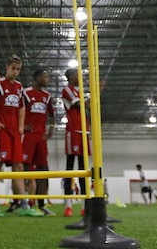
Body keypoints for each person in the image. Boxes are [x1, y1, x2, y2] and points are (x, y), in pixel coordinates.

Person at [0, 55, 43, 217]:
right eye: (13, 68)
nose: (15, 72)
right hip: (1, 131)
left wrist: (21, 126)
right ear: (7, 67)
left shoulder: (19, 87)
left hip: (15, 133)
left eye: (18, 69)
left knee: (19, 167)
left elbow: (22, 107)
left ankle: (23, 204)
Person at [22, 69, 55, 216]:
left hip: (41, 139)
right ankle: (21, 203)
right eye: (45, 76)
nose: (47, 79)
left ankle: (42, 204)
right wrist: (22, 126)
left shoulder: (47, 96)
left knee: (43, 170)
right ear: (37, 78)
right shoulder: (26, 93)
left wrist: (50, 131)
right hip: (28, 138)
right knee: (23, 170)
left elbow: (52, 115)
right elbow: (18, 110)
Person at [61, 68, 90, 217]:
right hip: (73, 132)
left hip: (84, 131)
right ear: (71, 77)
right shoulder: (67, 90)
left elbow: (87, 106)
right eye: (77, 75)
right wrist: (96, 92)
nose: (80, 77)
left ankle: (85, 205)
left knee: (84, 170)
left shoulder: (80, 91)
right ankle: (68, 205)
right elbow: (80, 105)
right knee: (70, 169)